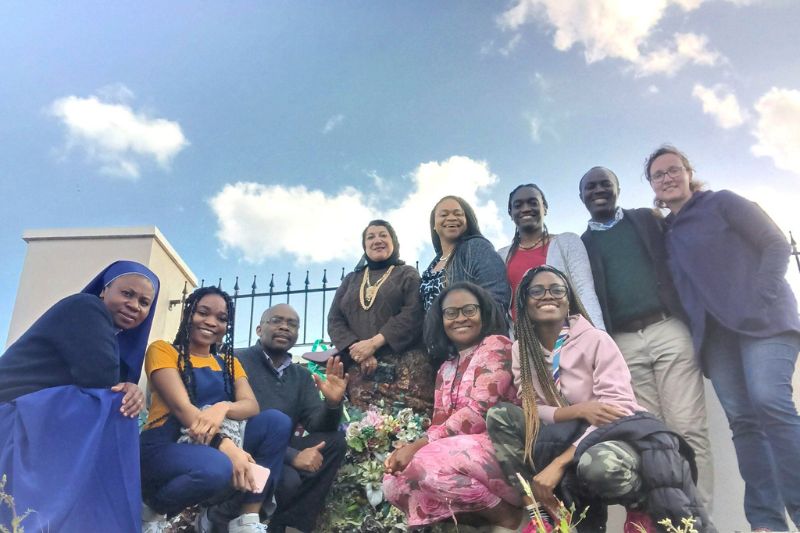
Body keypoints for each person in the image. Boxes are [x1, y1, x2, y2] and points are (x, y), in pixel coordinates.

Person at [486, 265, 713, 532]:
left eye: (557, 289)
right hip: (560, 433)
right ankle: (542, 517)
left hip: (611, 433)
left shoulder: (595, 339)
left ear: (568, 300)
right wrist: (579, 410)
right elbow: (531, 405)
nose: (548, 295)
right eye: (537, 290)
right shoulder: (521, 350)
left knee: (598, 465)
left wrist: (560, 462)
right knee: (500, 415)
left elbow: (617, 408)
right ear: (524, 301)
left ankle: (640, 509)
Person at [646, 144, 800, 531]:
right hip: (716, 339)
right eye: (658, 175)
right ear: (652, 186)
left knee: (770, 401)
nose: (667, 178)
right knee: (744, 423)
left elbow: (776, 243)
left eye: (673, 169)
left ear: (689, 172)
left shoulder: (723, 203)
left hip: (764, 323)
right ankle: (766, 523)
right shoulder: (667, 233)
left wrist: (761, 295)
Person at [578, 166, 713, 508]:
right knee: (649, 436)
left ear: (617, 189)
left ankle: (700, 519)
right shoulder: (583, 245)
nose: (598, 190)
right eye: (590, 187)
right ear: (581, 197)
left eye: (605, 184)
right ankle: (671, 519)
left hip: (668, 329)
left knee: (688, 428)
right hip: (622, 344)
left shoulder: (646, 219)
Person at [0, 260, 160, 532]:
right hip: (12, 414)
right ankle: (100, 519)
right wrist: (127, 389)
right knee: (118, 403)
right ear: (103, 290)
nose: (134, 305)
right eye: (127, 293)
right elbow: (100, 377)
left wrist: (129, 387)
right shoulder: (86, 307)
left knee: (120, 400)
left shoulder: (106, 330)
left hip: (36, 414)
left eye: (144, 302)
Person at [139, 286, 292, 533]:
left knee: (276, 421)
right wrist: (230, 449)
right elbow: (181, 408)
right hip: (164, 445)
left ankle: (247, 519)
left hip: (211, 444)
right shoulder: (163, 350)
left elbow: (251, 405)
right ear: (187, 314)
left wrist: (222, 407)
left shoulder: (230, 364)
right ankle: (150, 511)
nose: (211, 322)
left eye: (221, 318)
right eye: (203, 313)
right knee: (218, 467)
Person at [382, 282, 523, 531]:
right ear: (441, 320)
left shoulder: (497, 346)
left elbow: (480, 411)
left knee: (428, 466)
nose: (460, 318)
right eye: (451, 313)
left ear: (483, 313)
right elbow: (439, 423)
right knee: (394, 482)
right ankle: (475, 522)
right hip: (456, 449)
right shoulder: (446, 368)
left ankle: (508, 517)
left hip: (499, 444)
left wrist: (418, 446)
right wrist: (410, 450)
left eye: (469, 310)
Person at [234, 303, 348, 533]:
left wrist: (333, 404)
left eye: (292, 324)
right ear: (259, 329)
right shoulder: (237, 360)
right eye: (276, 321)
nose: (285, 327)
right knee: (289, 480)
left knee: (335, 442)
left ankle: (293, 525)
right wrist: (293, 456)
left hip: (281, 447)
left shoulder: (301, 375)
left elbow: (317, 424)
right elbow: (234, 423)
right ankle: (263, 524)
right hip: (243, 445)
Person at [328, 219, 434, 412]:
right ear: (364, 246)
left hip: (405, 371)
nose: (377, 240)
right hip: (362, 371)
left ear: (394, 242)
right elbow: (335, 320)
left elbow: (414, 313)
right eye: (371, 237)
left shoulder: (407, 274)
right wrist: (359, 351)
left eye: (383, 235)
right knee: (364, 427)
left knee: (405, 427)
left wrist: (373, 344)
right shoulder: (351, 280)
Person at [497, 184, 604, 328]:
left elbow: (585, 291)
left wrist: (598, 334)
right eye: (518, 205)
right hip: (521, 337)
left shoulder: (567, 243)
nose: (526, 208)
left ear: (545, 208)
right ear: (510, 213)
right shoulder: (502, 256)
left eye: (533, 203)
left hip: (566, 334)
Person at [420, 196, 510, 317]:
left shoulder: (477, 248)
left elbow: (496, 298)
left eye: (458, 214)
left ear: (467, 221)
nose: (451, 218)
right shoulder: (432, 266)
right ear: (434, 225)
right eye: (444, 215)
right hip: (432, 330)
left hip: (469, 327)